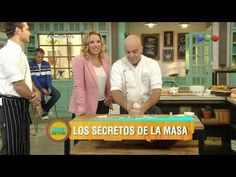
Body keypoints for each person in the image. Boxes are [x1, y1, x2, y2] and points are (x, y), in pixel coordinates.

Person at [0, 22, 43, 155]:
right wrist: (35, 101)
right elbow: (18, 85)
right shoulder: (8, 53)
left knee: (22, 145)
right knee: (12, 148)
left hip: (21, 104)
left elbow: (26, 80)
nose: (29, 32)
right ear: (18, 30)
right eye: (27, 29)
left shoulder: (21, 53)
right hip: (9, 106)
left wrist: (35, 92)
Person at [110, 35, 162, 116]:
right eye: (128, 52)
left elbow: (157, 90)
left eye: (135, 51)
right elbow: (115, 91)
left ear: (141, 49)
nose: (131, 55)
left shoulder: (152, 64)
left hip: (148, 107)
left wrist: (145, 106)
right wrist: (127, 105)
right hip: (126, 109)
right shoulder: (117, 65)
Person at [69, 31, 112, 117]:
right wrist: (81, 107)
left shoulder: (106, 58)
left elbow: (108, 82)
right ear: (86, 45)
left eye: (98, 41)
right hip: (85, 106)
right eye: (91, 42)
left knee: (101, 130)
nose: (96, 45)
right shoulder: (79, 60)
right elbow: (79, 86)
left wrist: (109, 98)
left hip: (103, 104)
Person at [29, 48, 61, 120]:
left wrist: (49, 87)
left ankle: (45, 110)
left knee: (57, 94)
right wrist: (41, 89)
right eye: (39, 57)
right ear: (35, 56)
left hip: (46, 85)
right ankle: (43, 112)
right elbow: (34, 79)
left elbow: (48, 77)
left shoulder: (46, 64)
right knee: (41, 95)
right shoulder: (31, 65)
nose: (40, 59)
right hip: (37, 87)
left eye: (42, 57)